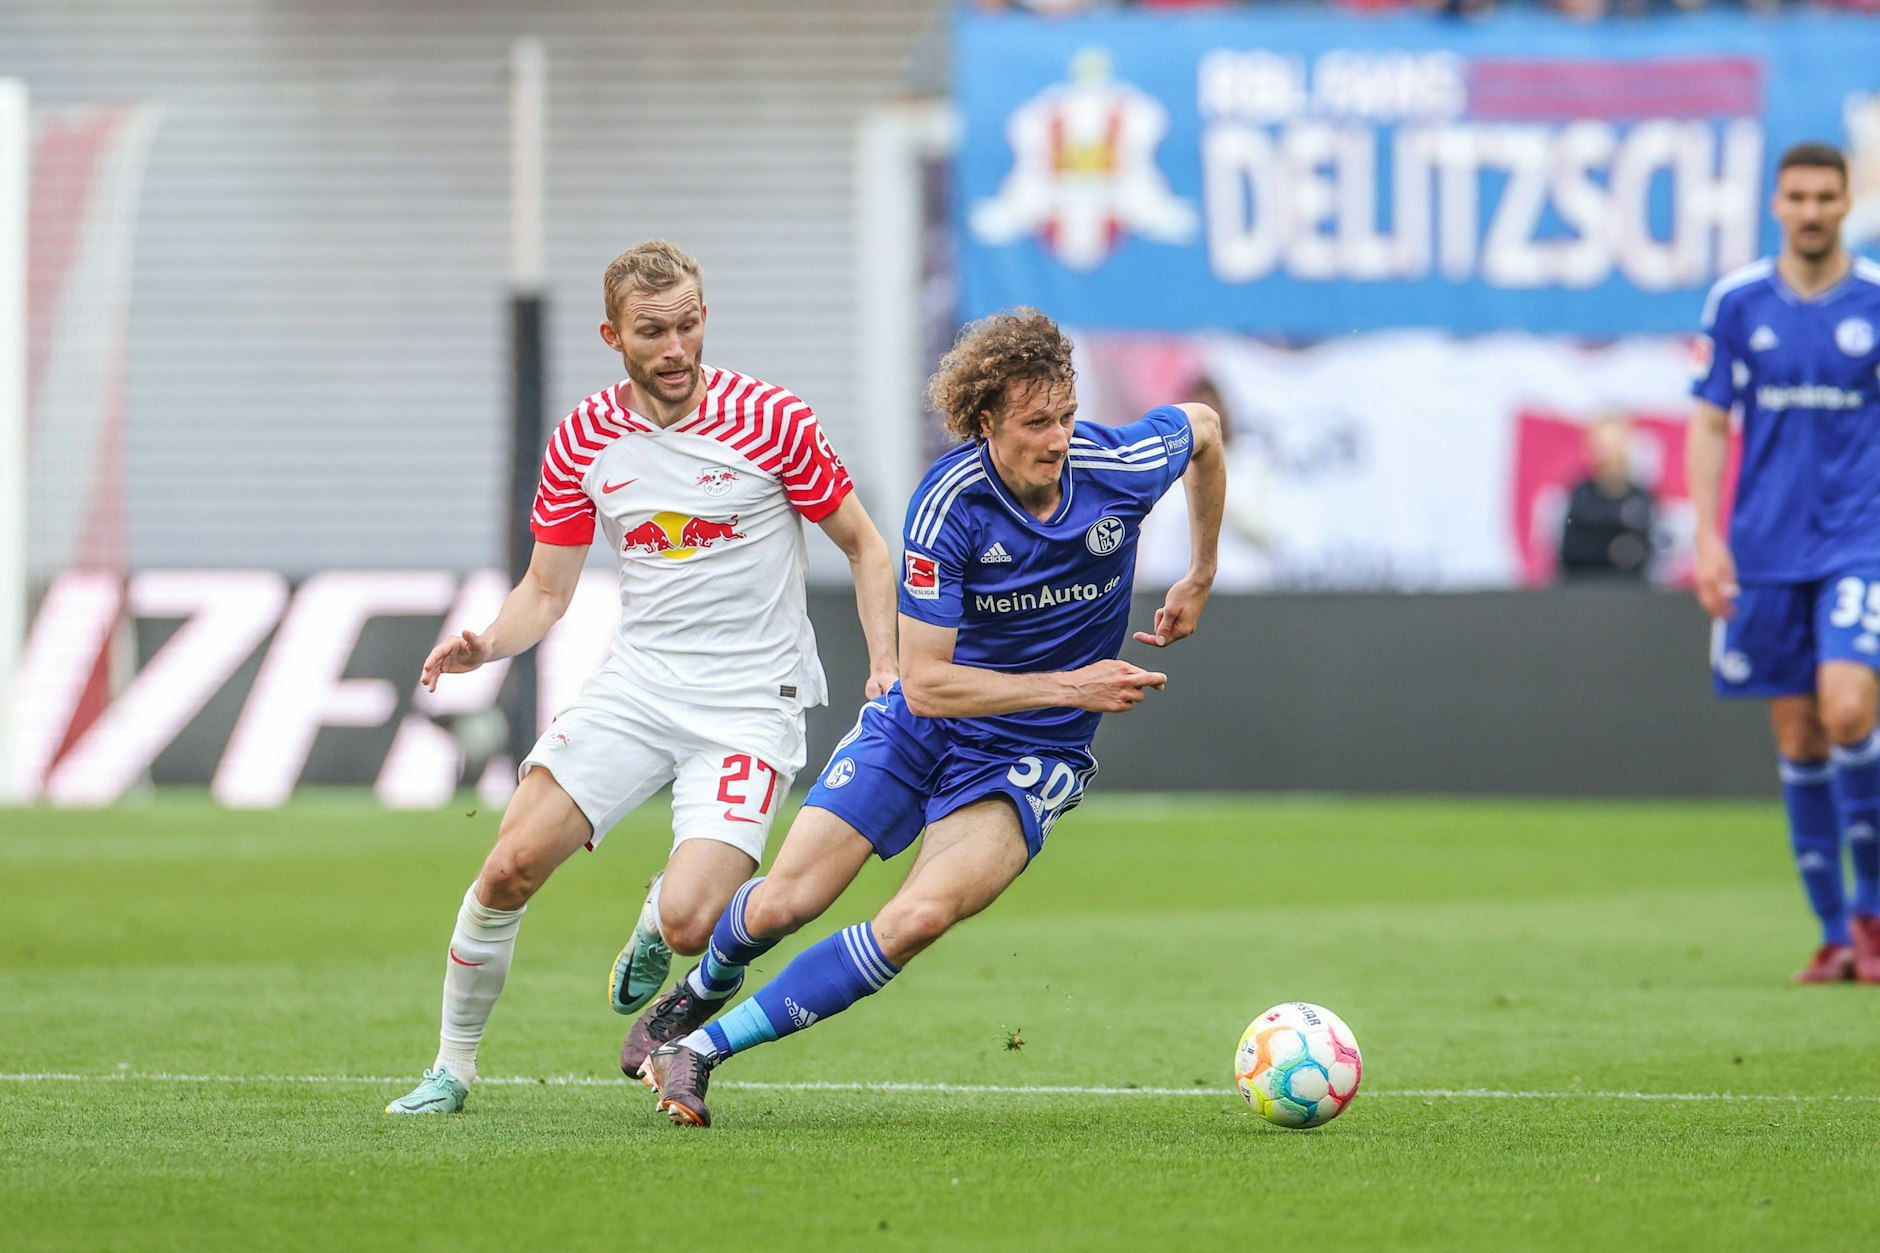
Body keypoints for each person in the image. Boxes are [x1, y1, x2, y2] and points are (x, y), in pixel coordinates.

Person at [618, 306, 1224, 1126]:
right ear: (984, 423)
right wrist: (1072, 685)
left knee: (919, 917)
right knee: (783, 902)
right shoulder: (949, 504)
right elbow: (929, 685)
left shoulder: (1121, 464)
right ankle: (702, 984)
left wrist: (1200, 571)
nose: (1058, 439)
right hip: (924, 724)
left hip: (1028, 758)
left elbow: (1207, 430)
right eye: (1036, 422)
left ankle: (699, 1050)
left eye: (1067, 415)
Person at [385, 240, 897, 1114]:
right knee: (507, 866)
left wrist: (885, 664)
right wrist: (486, 645)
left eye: (688, 324)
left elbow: (865, 543)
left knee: (697, 922)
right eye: (652, 331)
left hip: (749, 703)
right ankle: (451, 1068)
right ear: (612, 336)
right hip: (639, 687)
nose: (675, 348)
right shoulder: (587, 437)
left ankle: (659, 915)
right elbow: (546, 591)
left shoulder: (771, 419)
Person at [1690, 142, 1880, 985]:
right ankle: (1834, 932)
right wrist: (1705, 534)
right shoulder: (1737, 301)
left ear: (1846, 203)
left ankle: (1871, 911)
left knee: (1847, 709)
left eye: (1825, 197)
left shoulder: (1874, 300)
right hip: (1764, 547)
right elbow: (1708, 421)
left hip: (1858, 540)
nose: (1811, 210)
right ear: (1777, 204)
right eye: (1797, 196)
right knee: (1798, 732)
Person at [1556, 415, 1655, 583]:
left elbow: (1650, 553)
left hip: (1632, 594)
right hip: (1582, 590)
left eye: (1616, 444)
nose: (1610, 453)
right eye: (1604, 445)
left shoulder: (1642, 498)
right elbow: (1567, 551)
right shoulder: (1577, 495)